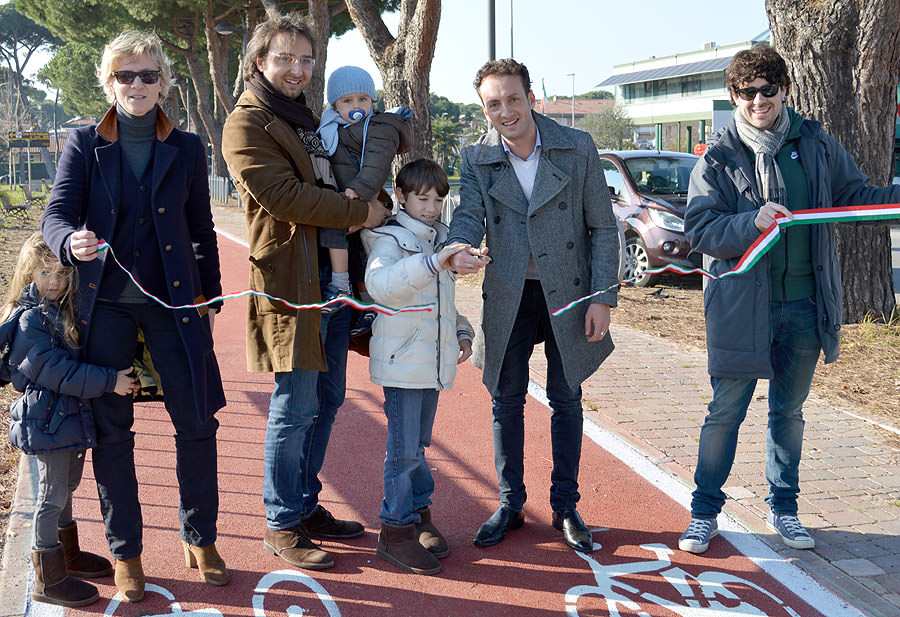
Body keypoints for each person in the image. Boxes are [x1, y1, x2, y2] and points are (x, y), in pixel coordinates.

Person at [679, 44, 900, 554]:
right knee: (725, 411)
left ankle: (785, 509)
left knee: (789, 412)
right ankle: (704, 512)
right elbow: (700, 229)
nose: (758, 100)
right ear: (734, 95)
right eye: (746, 92)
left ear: (784, 89)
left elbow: (855, 196)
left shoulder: (815, 142)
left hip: (804, 304)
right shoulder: (718, 154)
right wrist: (748, 222)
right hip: (738, 306)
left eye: (767, 89)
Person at [41, 30, 227, 601]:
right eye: (126, 75)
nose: (138, 85)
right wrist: (70, 241)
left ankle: (201, 537)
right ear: (108, 82)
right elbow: (56, 215)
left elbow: (202, 231)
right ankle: (128, 552)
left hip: (175, 307)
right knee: (113, 435)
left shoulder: (190, 148)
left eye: (148, 74)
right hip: (107, 311)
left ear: (164, 81)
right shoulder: (80, 143)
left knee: (197, 422)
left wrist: (212, 298)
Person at [221, 10, 391, 571]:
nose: (296, 69)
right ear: (259, 61)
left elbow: (344, 173)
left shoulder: (307, 120)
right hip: (295, 286)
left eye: (304, 59)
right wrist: (361, 211)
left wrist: (376, 203)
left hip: (337, 283)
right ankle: (280, 520)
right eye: (283, 58)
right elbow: (288, 197)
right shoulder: (246, 123)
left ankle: (305, 502)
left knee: (328, 401)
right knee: (294, 408)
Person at [446, 59, 620, 554]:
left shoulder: (577, 146)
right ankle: (510, 503)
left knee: (566, 398)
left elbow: (603, 228)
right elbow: (469, 216)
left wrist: (603, 297)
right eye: (493, 104)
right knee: (506, 398)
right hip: (509, 291)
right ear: (485, 108)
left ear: (531, 99)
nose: (505, 111)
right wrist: (459, 248)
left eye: (513, 99)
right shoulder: (476, 156)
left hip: (569, 291)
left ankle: (565, 505)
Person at [1, 233, 137, 607]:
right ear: (28, 273)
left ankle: (67, 554)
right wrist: (111, 381)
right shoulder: (31, 320)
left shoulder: (57, 311)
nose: (54, 281)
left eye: (62, 272)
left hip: (61, 419)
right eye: (44, 272)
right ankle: (48, 575)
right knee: (51, 495)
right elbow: (57, 371)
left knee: (64, 490)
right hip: (47, 420)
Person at [361, 159, 474, 575]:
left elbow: (443, 305)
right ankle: (395, 531)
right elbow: (381, 286)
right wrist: (433, 263)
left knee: (419, 445)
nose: (431, 207)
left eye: (438, 199)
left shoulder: (438, 239)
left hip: (431, 361)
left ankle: (418, 513)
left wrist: (462, 331)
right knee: (403, 450)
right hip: (403, 361)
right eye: (422, 198)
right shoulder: (390, 238)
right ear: (402, 196)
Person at [317, 65, 413, 337]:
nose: (356, 105)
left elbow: (376, 166)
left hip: (361, 196)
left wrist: (355, 192)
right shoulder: (332, 127)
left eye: (363, 99)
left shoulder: (379, 127)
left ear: (373, 101)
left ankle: (344, 287)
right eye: (347, 101)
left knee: (365, 253)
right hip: (347, 197)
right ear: (335, 105)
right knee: (357, 255)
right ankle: (364, 301)